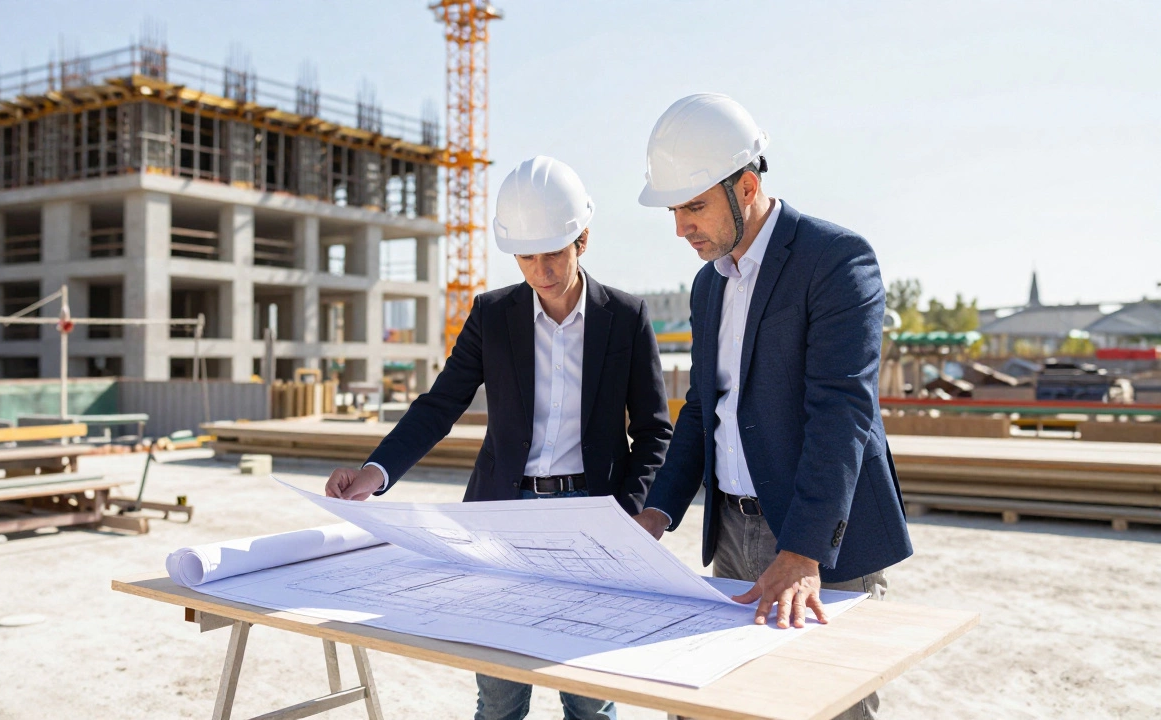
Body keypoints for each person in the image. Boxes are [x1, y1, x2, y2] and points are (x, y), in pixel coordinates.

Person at [325, 155, 672, 720]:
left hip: (591, 519)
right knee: (500, 697)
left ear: (582, 239)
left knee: (590, 695)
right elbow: (440, 405)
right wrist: (375, 472)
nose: (541, 271)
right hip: (501, 522)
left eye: (553, 253)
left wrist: (633, 518)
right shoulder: (491, 315)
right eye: (527, 257)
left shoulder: (626, 318)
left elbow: (655, 430)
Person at [631, 94, 913, 720]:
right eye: (675, 210)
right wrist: (657, 512)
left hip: (823, 545)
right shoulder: (709, 286)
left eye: (694, 206)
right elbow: (702, 408)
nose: (681, 227)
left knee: (825, 706)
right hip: (732, 533)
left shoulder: (836, 261)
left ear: (748, 186)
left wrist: (804, 549)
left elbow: (842, 411)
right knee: (717, 705)